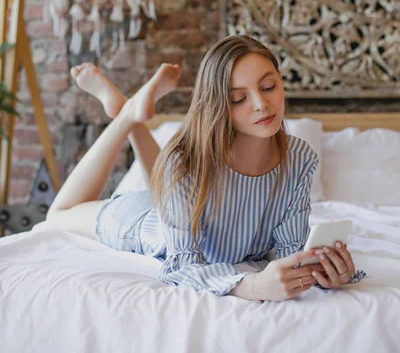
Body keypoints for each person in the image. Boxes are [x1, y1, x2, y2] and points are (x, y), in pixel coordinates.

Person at [47, 35, 362, 301]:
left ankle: (129, 111)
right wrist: (250, 285)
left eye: (268, 87)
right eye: (239, 98)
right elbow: (181, 266)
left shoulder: (299, 158)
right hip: (147, 224)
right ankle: (128, 114)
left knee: (168, 179)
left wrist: (326, 273)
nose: (261, 105)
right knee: (59, 214)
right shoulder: (185, 164)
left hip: (178, 201)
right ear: (218, 105)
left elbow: (291, 251)